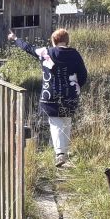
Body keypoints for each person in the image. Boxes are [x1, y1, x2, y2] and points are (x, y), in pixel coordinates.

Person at [8, 28, 88, 167]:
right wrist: (77, 87)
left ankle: (60, 155)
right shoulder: (75, 54)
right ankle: (63, 153)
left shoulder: (46, 52)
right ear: (67, 41)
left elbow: (29, 48)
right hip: (70, 95)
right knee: (66, 122)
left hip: (50, 96)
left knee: (55, 123)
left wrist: (15, 39)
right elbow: (83, 74)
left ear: (53, 40)